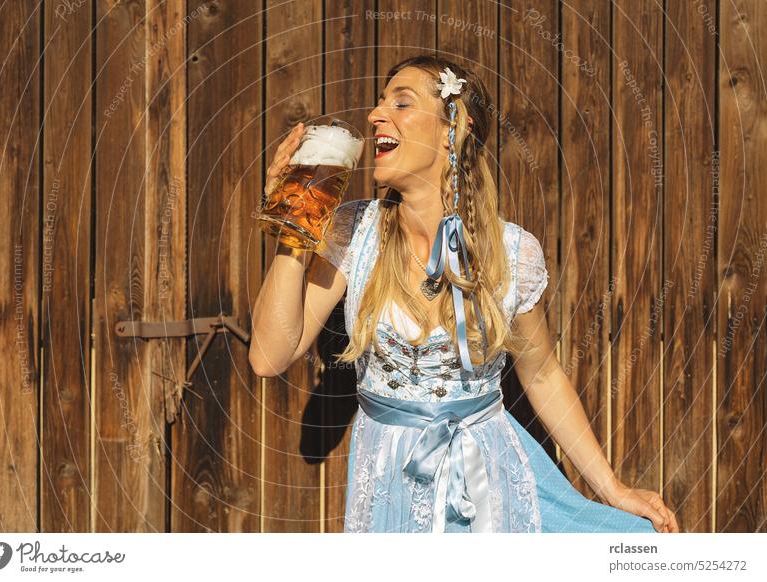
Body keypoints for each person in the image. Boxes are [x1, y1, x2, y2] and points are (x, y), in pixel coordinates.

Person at [249, 54, 680, 534]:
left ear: (452, 128)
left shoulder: (513, 253)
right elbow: (269, 356)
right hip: (388, 484)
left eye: (401, 102)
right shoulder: (354, 231)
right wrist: (294, 225)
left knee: (642, 549)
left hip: (488, 479)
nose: (374, 115)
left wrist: (614, 489)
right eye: (378, 102)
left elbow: (541, 377)